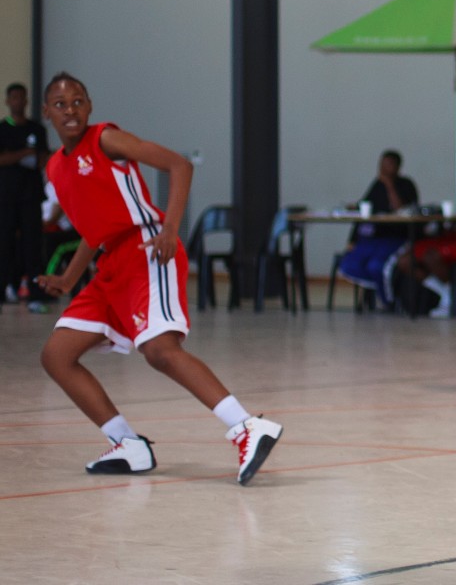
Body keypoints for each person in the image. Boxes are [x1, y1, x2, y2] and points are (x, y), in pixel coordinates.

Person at [34, 73, 282, 483]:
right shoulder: (56, 167)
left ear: (90, 105)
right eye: (60, 104)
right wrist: (68, 277)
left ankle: (246, 426)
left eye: (78, 101)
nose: (70, 110)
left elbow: (178, 165)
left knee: (159, 349)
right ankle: (127, 444)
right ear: (47, 112)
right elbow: (94, 231)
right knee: (56, 356)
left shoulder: (106, 139)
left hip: (146, 247)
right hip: (111, 263)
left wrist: (170, 229)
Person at [336, 149, 421, 310]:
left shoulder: (406, 185)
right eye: (381, 164)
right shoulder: (377, 185)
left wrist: (389, 185)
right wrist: (352, 240)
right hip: (374, 239)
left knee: (376, 266)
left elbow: (402, 210)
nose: (383, 168)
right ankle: (377, 289)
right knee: (349, 263)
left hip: (396, 238)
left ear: (398, 167)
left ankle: (388, 301)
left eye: (388, 165)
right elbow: (364, 212)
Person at [1, 81, 51, 309]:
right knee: (4, 243)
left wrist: (28, 156)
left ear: (27, 100)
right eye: (14, 97)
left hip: (30, 195)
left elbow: (43, 158)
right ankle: (4, 288)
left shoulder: (37, 129)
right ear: (8, 101)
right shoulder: (3, 129)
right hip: (6, 196)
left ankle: (35, 291)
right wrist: (23, 153)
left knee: (32, 244)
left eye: (22, 97)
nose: (18, 102)